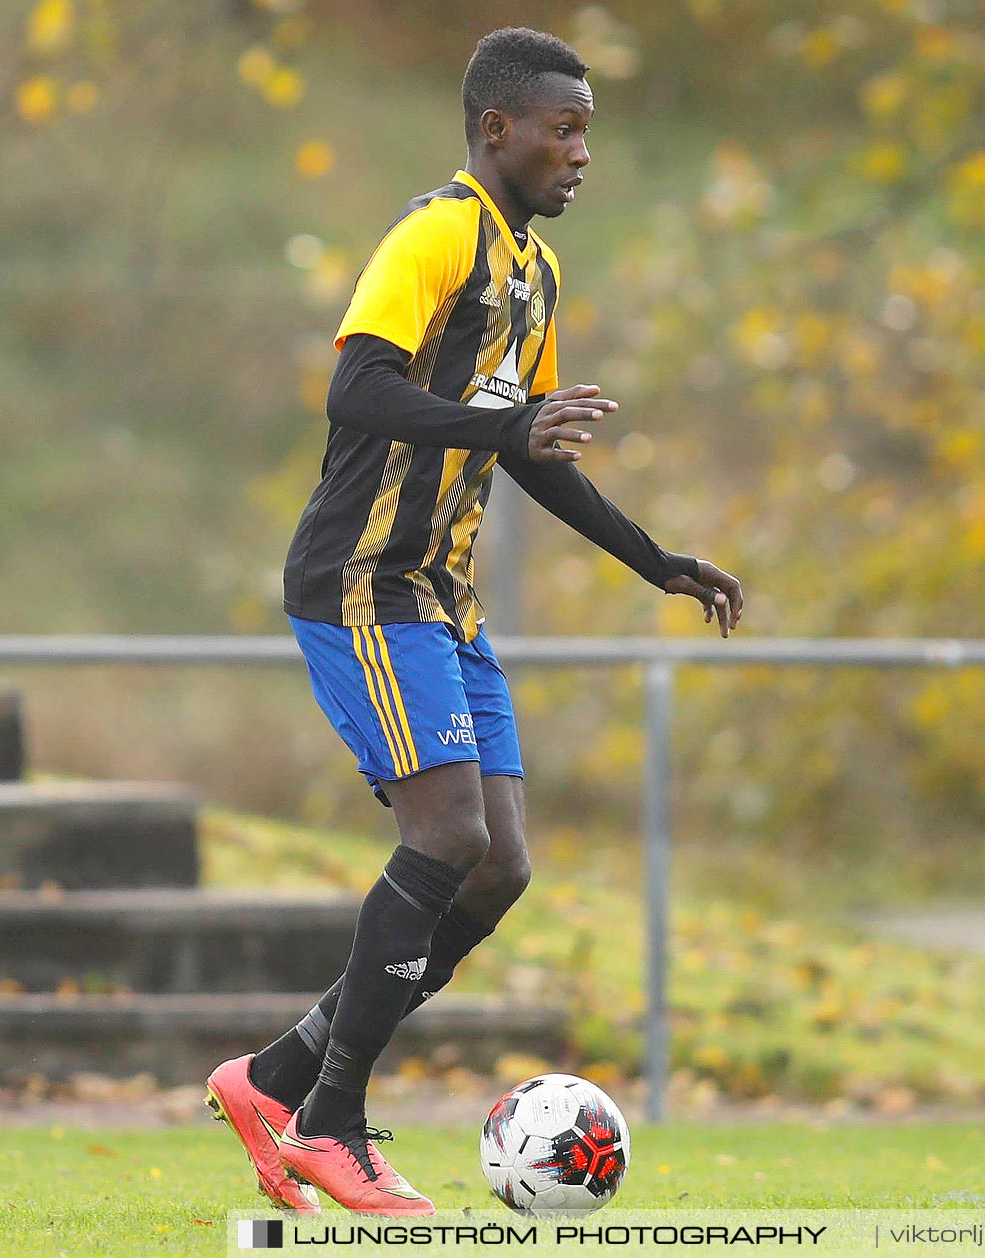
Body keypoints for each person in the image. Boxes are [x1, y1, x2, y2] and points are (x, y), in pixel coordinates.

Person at [204, 27, 744, 1217]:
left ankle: (276, 1079)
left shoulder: (535, 277)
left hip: (443, 599)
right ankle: (329, 1122)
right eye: (566, 127)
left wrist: (657, 562)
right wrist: (504, 430)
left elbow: (535, 447)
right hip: (363, 580)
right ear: (497, 129)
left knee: (499, 866)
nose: (582, 151)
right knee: (443, 836)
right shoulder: (437, 233)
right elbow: (357, 385)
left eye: (589, 130)